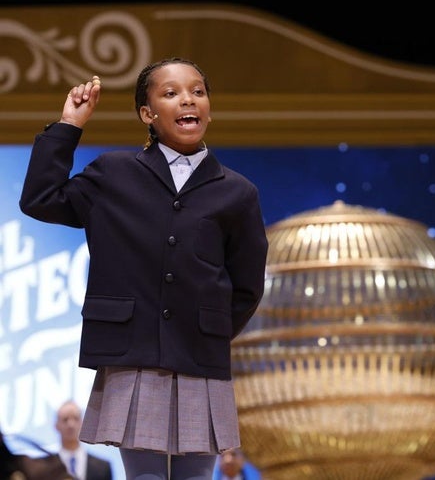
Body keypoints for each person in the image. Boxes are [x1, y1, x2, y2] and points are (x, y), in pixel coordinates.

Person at [19, 58, 269, 480]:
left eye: (197, 91)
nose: (187, 99)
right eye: (171, 93)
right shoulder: (114, 174)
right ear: (147, 114)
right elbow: (41, 198)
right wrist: (68, 126)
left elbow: (247, 283)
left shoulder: (237, 192)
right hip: (131, 355)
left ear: (208, 107)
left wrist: (209, 329)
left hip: (199, 358)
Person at [55, 400, 113, 480]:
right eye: (65, 419)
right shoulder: (46, 467)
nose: (71, 424)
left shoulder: (103, 467)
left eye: (75, 419)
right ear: (56, 426)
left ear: (82, 423)